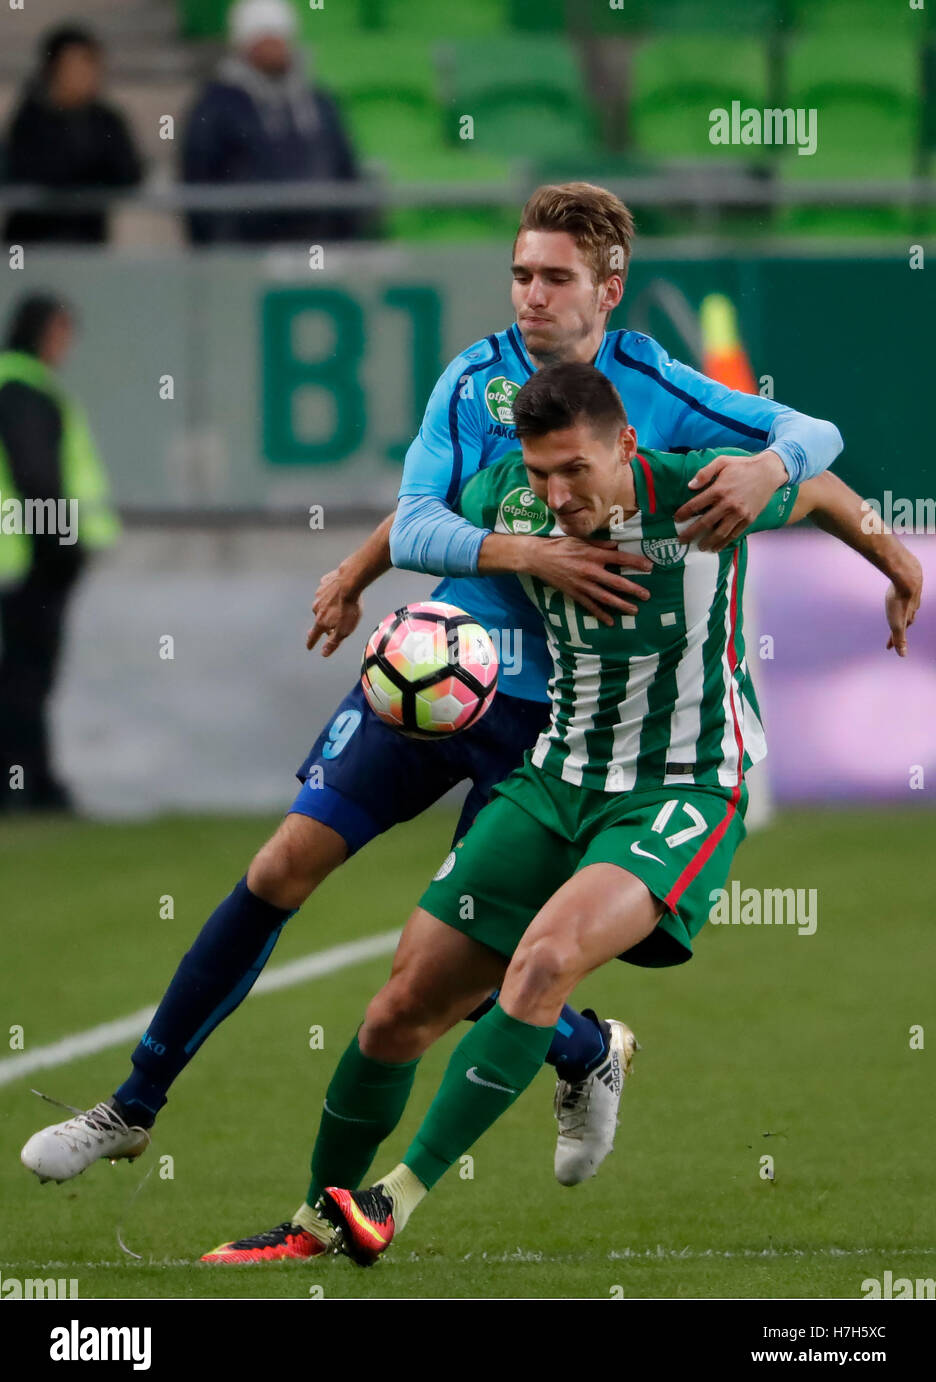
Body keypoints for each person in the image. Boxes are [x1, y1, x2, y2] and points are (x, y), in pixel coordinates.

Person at [20, 184, 843, 1260]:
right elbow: (423, 513)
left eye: (554, 277)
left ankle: (574, 1053)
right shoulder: (474, 375)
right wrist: (405, 562)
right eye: (520, 274)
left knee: (445, 975)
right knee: (281, 866)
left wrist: (783, 469)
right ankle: (133, 1108)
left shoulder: (650, 387)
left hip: (558, 713)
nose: (532, 296)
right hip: (436, 671)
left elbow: (809, 437)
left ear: (609, 285)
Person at [310, 362, 921, 1264]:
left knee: (543, 960)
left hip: (681, 786)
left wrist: (902, 564)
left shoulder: (704, 493)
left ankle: (392, 1202)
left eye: (575, 473)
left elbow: (821, 488)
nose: (557, 495)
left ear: (626, 446)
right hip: (557, 777)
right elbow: (418, 520)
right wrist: (355, 574)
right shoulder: (514, 501)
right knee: (400, 1008)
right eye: (541, 473)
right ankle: (311, 1221)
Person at [0, 294, 120, 813]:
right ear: (45, 332)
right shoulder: (25, 390)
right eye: (63, 332)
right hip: (29, 561)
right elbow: (37, 478)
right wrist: (63, 546)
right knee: (28, 676)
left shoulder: (18, 386)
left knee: (24, 675)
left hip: (23, 558)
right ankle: (28, 786)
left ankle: (30, 782)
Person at [182, 0, 364, 245]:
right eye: (265, 39)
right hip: (248, 247)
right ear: (245, 45)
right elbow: (199, 177)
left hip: (319, 240)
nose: (274, 48)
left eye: (279, 38)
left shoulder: (319, 102)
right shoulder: (216, 106)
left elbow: (344, 167)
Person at [2, 25, 143, 246]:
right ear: (54, 69)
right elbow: (35, 171)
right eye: (78, 65)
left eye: (93, 64)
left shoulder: (106, 120)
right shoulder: (30, 119)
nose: (88, 74)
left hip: (87, 243)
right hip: (33, 245)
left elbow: (130, 172)